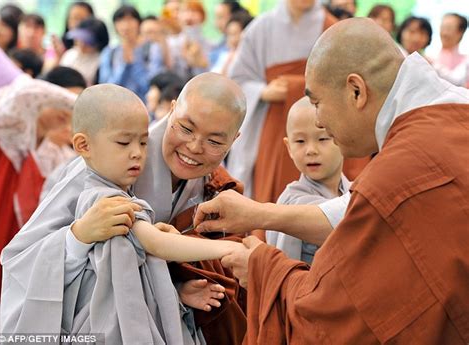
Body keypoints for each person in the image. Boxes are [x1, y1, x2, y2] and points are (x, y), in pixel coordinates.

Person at [194, 18, 469, 343]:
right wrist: (260, 214)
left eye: (316, 102)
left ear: (356, 91)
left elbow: (329, 314)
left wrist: (260, 265)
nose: (319, 120)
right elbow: (355, 213)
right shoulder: (455, 109)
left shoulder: (401, 164)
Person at [1, 72, 248, 345]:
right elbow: (19, 260)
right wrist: (77, 237)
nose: (194, 146)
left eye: (214, 142)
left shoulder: (217, 188)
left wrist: (175, 289)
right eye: (186, 129)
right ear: (172, 108)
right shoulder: (100, 167)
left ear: (234, 140)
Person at [226, 0, 365, 202]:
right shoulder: (261, 28)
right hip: (273, 124)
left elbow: (348, 78)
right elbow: (237, 80)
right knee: (270, 193)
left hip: (323, 120)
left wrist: (295, 86)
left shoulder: (333, 29)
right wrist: (263, 91)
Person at [0, 76, 76, 290]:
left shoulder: (41, 148)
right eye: (62, 108)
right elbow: (23, 91)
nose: (66, 117)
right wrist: (79, 102)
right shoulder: (9, 128)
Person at [266, 97, 349, 263]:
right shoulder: (292, 201)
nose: (311, 150)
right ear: (289, 147)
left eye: (323, 139)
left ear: (343, 137)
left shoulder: (352, 190)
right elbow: (287, 265)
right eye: (300, 141)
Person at [59, 17, 110, 85]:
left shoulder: (102, 61)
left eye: (88, 42)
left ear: (98, 44)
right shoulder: (70, 54)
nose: (82, 44)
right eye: (80, 39)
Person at [430, 13, 468, 87]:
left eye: (449, 28)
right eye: (442, 28)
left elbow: (457, 81)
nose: (444, 33)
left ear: (460, 32)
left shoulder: (465, 61)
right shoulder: (431, 56)